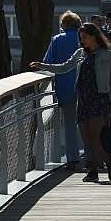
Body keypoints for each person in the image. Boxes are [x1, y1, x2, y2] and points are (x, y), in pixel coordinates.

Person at [31, 23, 111, 182]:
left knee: (95, 136)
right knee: (87, 138)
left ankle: (93, 171)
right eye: (81, 38)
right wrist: (44, 66)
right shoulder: (80, 53)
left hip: (99, 99)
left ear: (94, 36)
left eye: (85, 37)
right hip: (83, 99)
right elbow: (64, 67)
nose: (82, 41)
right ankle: (109, 161)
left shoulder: (106, 55)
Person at [42, 10, 83, 170]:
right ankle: (92, 156)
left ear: (65, 24)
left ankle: (72, 158)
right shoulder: (85, 39)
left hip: (65, 87)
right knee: (88, 123)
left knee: (70, 123)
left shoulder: (57, 40)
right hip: (86, 88)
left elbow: (48, 61)